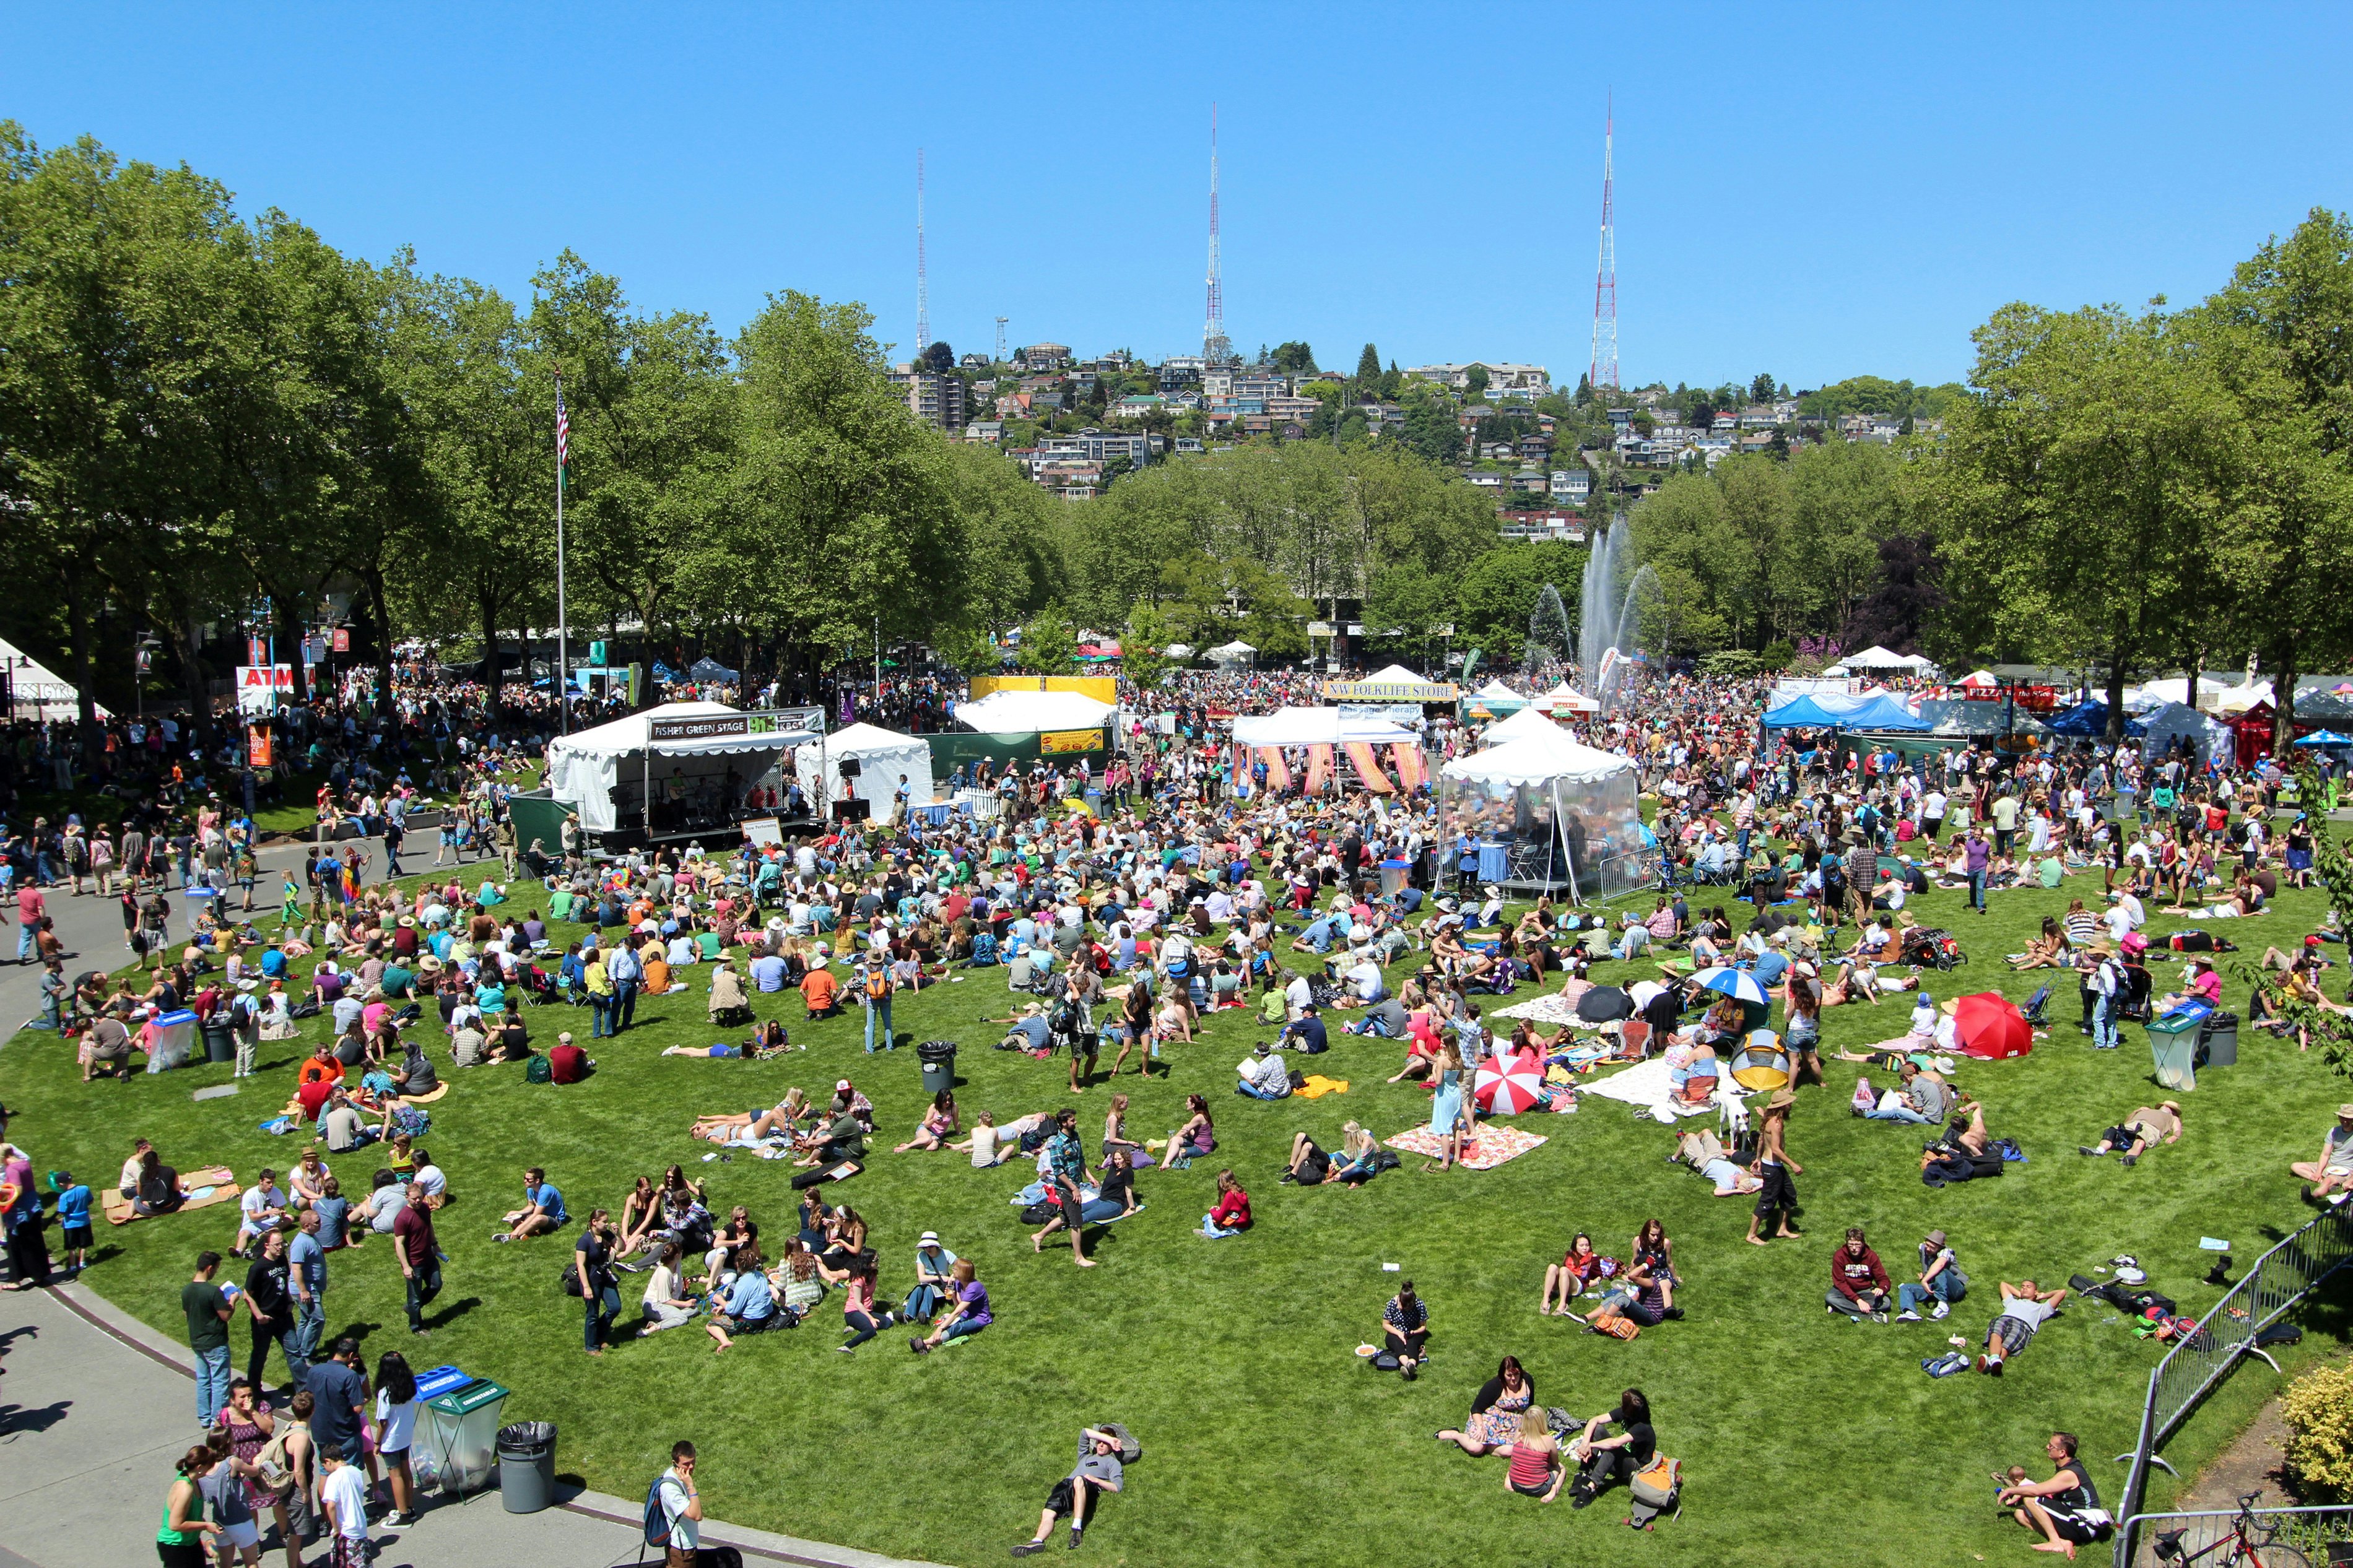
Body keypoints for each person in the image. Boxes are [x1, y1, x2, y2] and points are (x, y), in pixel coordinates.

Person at [1011, 1426, 1130, 1556]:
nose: (1101, 1444)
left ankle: (1076, 1530)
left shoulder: (1112, 1462)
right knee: (1048, 1512)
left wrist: (1096, 1480)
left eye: (1106, 1443)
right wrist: (1108, 1439)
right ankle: (1037, 1541)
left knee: (1079, 1480)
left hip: (1086, 1485)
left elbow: (1117, 1487)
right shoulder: (1085, 1456)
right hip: (1066, 1485)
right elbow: (1084, 1432)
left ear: (1111, 1447)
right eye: (1099, 1441)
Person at [1998, 1431, 2107, 1559]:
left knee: (2031, 1499)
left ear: (2062, 1453)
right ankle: (2063, 1541)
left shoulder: (2069, 1473)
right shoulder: (2067, 1466)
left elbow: (2036, 1491)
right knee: (2020, 1514)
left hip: (2084, 1525)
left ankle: (2055, 1543)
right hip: (2071, 1516)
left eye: (2051, 1446)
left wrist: (2011, 1491)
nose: (2047, 1448)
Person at [1567, 1390, 1655, 1510]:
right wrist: (1585, 1443)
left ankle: (1591, 1488)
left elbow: (1615, 1443)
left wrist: (1591, 1445)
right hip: (1625, 1459)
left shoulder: (1642, 1427)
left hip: (1637, 1471)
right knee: (1597, 1429)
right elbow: (1594, 1421)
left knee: (1612, 1449)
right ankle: (1584, 1472)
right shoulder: (1627, 1412)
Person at [1435, 1354, 1538, 1455]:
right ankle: (1455, 1434)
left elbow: (1530, 1407)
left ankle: (1487, 1446)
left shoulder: (1527, 1381)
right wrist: (1481, 1428)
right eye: (1509, 1375)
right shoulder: (1494, 1385)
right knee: (1476, 1448)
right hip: (1490, 1421)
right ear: (1503, 1374)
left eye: (1516, 1374)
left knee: (1511, 1451)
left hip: (1513, 1426)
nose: (1513, 1379)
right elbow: (1476, 1409)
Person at [184, 1249, 237, 1427]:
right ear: (209, 1268)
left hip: (197, 1342)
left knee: (203, 1380)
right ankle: (218, 1421)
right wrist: (233, 1300)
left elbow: (187, 1314)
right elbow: (226, 1316)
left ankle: (204, 1417)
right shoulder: (213, 1292)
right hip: (215, 1343)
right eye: (216, 1268)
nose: (216, 1272)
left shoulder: (187, 1290)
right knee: (220, 1382)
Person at [1745, 1088, 1803, 1246]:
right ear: (1782, 1107)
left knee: (1788, 1195)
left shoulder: (1769, 1119)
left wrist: (1758, 1158)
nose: (1791, 1106)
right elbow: (1776, 1149)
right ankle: (1752, 1235)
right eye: (1788, 1104)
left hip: (1772, 1165)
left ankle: (1782, 1229)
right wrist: (1793, 1165)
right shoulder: (1776, 1124)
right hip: (1772, 1168)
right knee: (1767, 1200)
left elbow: (1762, 1139)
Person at [1978, 1279, 2069, 1375]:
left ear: (2036, 1292)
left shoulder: (2043, 1309)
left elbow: (2062, 1292)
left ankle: (1994, 1364)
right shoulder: (2012, 1302)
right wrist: (2022, 1295)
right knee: (1996, 1334)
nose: (2024, 1288)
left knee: (2008, 1344)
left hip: (2022, 1325)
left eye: (2028, 1287)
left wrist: (2043, 1296)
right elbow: (2003, 1284)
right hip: (2004, 1319)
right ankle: (1995, 1360)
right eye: (2022, 1286)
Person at [155, 1445, 225, 1568]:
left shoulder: (193, 1479)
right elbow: (175, 1525)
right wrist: (205, 1525)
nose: (211, 1470)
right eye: (209, 1467)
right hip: (175, 1546)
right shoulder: (185, 1489)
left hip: (191, 1543)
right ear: (200, 1468)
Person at [373, 1350, 420, 1528]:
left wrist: (377, 1442)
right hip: (405, 1435)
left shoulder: (385, 1392)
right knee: (405, 1470)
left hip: (391, 1440)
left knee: (396, 1476)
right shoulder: (410, 1385)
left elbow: (383, 1421)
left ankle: (403, 1517)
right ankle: (409, 1508)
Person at [910, 1257, 991, 1353]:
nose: (952, 1270)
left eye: (955, 1269)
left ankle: (925, 1342)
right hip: (966, 1313)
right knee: (950, 1324)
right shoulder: (958, 1283)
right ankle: (927, 1347)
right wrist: (953, 1296)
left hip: (980, 1318)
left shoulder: (974, 1288)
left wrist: (940, 1329)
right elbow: (959, 1306)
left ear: (963, 1273)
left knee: (957, 1328)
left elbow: (957, 1312)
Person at [391, 1180, 440, 1335]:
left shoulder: (425, 1209)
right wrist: (406, 1266)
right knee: (415, 1297)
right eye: (414, 1199)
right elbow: (399, 1243)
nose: (418, 1201)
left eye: (419, 1197)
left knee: (436, 1285)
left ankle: (410, 1308)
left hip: (429, 1257)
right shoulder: (403, 1218)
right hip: (415, 1263)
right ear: (407, 1198)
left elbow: (429, 1226)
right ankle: (416, 1327)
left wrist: (435, 1243)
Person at [317, 1438, 371, 1568]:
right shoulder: (356, 1472)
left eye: (324, 1466)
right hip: (360, 1526)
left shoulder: (334, 1478)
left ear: (328, 1461)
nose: (326, 1469)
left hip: (346, 1531)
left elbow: (331, 1505)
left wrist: (336, 1528)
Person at [2080, 1102, 2183, 1166]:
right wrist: (2136, 1111)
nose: (2166, 1107)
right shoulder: (2147, 1110)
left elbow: (2177, 1130)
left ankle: (2128, 1159)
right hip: (2133, 1124)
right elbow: (2126, 1122)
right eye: (2165, 1105)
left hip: (2151, 1128)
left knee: (2141, 1140)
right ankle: (2099, 1151)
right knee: (2111, 1131)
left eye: (2171, 1108)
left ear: (2174, 1112)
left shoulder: (2173, 1118)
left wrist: (2174, 1137)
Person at [1897, 1228, 1967, 1321]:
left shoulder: (1947, 1252)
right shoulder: (1922, 1248)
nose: (1928, 1249)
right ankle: (1910, 1313)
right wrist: (1926, 1277)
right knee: (1905, 1288)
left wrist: (1925, 1280)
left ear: (1940, 1248)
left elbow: (1940, 1264)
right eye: (1927, 1245)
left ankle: (1942, 1305)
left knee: (1940, 1270)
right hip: (1935, 1286)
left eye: (1932, 1248)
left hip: (1955, 1289)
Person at [577, 1208, 621, 1355]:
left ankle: (599, 1334)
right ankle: (591, 1346)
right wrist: (586, 1287)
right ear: (594, 1222)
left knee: (615, 1307)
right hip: (592, 1281)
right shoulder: (584, 1241)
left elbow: (621, 1248)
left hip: (606, 1278)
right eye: (604, 1222)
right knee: (592, 1314)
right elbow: (581, 1265)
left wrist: (618, 1234)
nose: (607, 1224)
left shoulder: (607, 1235)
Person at [655, 1440, 705, 1568]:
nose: (691, 1467)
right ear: (674, 1463)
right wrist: (691, 1486)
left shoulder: (679, 1476)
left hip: (685, 1545)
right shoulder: (671, 1489)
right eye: (686, 1464)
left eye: (693, 1462)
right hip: (682, 1549)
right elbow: (697, 1515)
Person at [1827, 1226, 1893, 1322]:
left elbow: (1883, 1278)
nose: (1854, 1248)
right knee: (1830, 1297)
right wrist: (1858, 1301)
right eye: (1851, 1244)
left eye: (1857, 1245)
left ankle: (1841, 1307)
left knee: (1886, 1303)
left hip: (1865, 1291)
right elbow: (1840, 1282)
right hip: (1844, 1290)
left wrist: (1882, 1289)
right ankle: (1872, 1315)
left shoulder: (1871, 1256)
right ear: (1846, 1243)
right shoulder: (1839, 1256)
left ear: (1863, 1243)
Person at [2291, 1104, 2353, 1203]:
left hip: (2347, 1170)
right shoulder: (2334, 1131)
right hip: (2330, 1165)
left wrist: (2350, 1181)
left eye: (2348, 1119)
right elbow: (2325, 1154)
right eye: (2342, 1118)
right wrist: (2318, 1172)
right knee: (2295, 1166)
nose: (2345, 1121)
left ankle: (2312, 1197)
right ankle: (2322, 1181)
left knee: (2328, 1180)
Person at [640, 1241, 698, 1335]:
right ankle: (651, 1329)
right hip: (655, 1304)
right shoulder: (664, 1272)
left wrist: (683, 1293)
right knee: (682, 1318)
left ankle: (665, 1320)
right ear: (677, 1256)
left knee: (694, 1309)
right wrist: (685, 1304)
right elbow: (664, 1300)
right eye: (681, 1252)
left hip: (667, 1303)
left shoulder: (677, 1265)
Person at [497, 1167, 567, 1241]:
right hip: (540, 1214)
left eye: (528, 1180)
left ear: (537, 1181)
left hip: (554, 1219)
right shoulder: (530, 1189)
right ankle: (528, 1232)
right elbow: (531, 1206)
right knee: (511, 1214)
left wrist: (516, 1230)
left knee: (538, 1218)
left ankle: (511, 1236)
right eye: (525, 1178)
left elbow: (536, 1214)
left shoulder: (546, 1191)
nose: (525, 1181)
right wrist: (517, 1213)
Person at [1541, 1234, 1601, 1317]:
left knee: (1564, 1270)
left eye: (1587, 1245)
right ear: (1575, 1246)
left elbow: (1599, 1274)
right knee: (1552, 1267)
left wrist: (1596, 1281)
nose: (1585, 1248)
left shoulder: (1593, 1258)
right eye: (1581, 1245)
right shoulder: (1570, 1255)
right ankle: (1546, 1299)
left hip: (1577, 1285)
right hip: (1563, 1283)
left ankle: (1563, 1304)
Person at [1382, 1280, 1430, 1380]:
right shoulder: (1393, 1303)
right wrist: (1399, 1333)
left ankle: (1410, 1365)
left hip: (1413, 1333)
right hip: (1396, 1332)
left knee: (1412, 1345)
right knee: (1397, 1344)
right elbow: (1385, 1324)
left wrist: (1414, 1332)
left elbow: (1423, 1327)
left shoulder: (1419, 1305)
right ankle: (1409, 1365)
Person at [1198, 1168, 1250, 1239]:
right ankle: (1208, 1232)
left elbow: (1219, 1217)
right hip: (1243, 1225)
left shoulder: (1230, 1195)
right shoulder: (1239, 1189)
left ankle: (1210, 1233)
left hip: (1236, 1227)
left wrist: (1213, 1211)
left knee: (1208, 1217)